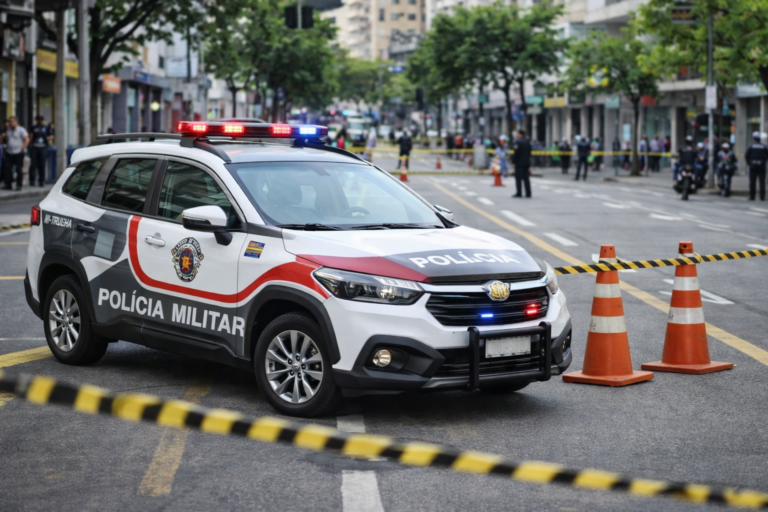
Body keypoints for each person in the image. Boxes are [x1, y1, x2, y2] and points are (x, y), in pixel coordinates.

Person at [1, 116, 29, 191]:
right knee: (7, 168)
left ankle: (19, 185)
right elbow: (7, 139)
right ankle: (8, 184)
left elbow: (27, 139)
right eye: (10, 121)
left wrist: (24, 148)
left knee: (18, 169)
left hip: (18, 152)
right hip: (9, 152)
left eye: (12, 121)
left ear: (16, 122)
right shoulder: (8, 130)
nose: (10, 123)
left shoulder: (21, 129)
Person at [29, 115, 53, 187]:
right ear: (36, 120)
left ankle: (41, 181)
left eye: (41, 119)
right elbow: (30, 136)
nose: (40, 121)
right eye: (38, 119)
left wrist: (47, 138)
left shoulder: (46, 128)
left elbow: (51, 135)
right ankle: (32, 180)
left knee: (42, 165)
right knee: (33, 164)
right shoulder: (33, 127)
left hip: (43, 148)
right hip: (35, 147)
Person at [745, 131, 768, 201]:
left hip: (753, 165)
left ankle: (752, 196)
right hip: (761, 165)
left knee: (752, 182)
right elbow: (767, 155)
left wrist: (749, 163)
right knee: (762, 182)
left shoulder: (751, 146)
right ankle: (762, 196)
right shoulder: (763, 146)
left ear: (753, 138)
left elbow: (746, 156)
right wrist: (763, 162)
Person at [511, 130, 532, 198]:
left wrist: (513, 161)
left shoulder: (517, 141)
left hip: (519, 163)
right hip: (526, 162)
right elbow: (530, 151)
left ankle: (519, 192)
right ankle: (528, 193)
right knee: (526, 178)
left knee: (518, 178)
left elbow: (516, 152)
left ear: (519, 134)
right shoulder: (527, 141)